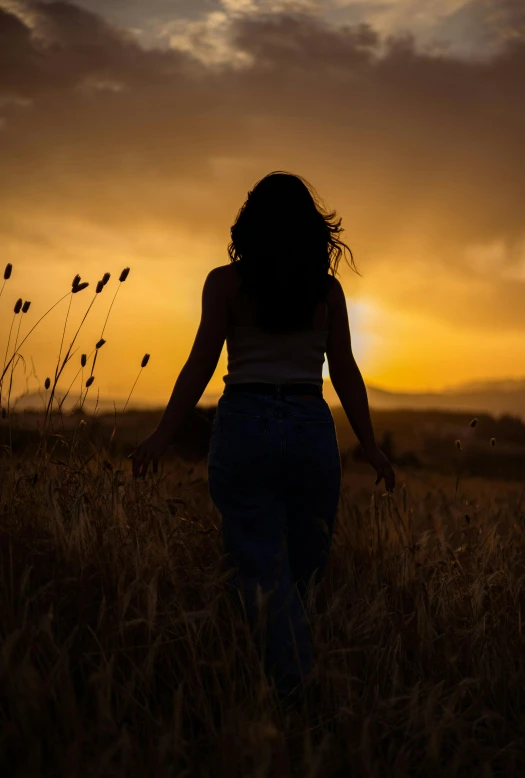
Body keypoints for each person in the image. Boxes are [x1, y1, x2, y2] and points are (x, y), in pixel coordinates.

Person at [130, 170, 395, 707]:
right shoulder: (326, 291)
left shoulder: (225, 284)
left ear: (249, 225)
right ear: (311, 230)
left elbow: (201, 363)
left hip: (245, 425)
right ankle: (296, 694)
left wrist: (163, 433)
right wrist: (369, 445)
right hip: (308, 425)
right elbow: (344, 370)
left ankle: (291, 696)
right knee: (303, 572)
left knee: (260, 568)